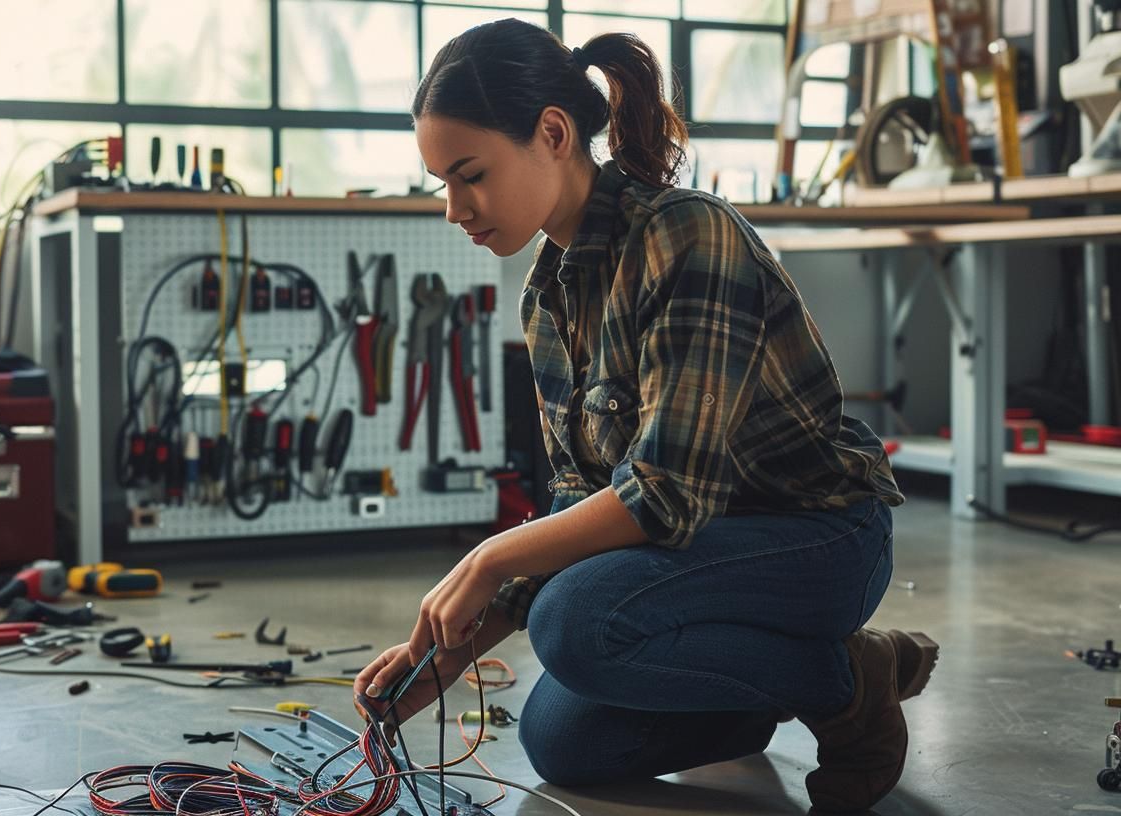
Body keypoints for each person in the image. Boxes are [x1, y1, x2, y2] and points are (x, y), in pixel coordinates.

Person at [353, 19, 939, 814]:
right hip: (696, 559)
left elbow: (663, 494)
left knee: (577, 625)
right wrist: (454, 653)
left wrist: (487, 560)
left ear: (553, 134)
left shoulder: (686, 235)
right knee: (564, 744)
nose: (454, 208)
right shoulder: (546, 295)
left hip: (819, 539)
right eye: (440, 184)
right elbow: (578, 498)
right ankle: (765, 683)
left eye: (470, 175)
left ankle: (845, 685)